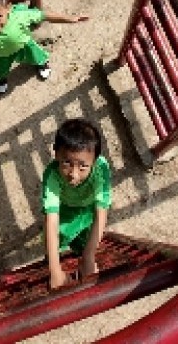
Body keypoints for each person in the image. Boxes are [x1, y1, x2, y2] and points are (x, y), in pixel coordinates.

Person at [41, 119, 111, 290]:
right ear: (56, 153)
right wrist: (55, 270)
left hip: (88, 212)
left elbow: (101, 212)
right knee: (58, 239)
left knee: (86, 241)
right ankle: (55, 259)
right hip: (64, 210)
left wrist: (88, 256)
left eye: (83, 166)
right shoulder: (51, 175)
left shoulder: (101, 170)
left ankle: (81, 254)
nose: (73, 174)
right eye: (67, 163)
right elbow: (51, 219)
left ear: (94, 162)